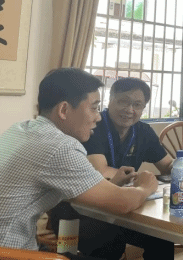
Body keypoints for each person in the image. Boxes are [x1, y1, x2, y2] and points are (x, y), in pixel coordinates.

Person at [0, 68, 158, 259]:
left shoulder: (21, 129)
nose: (98, 117)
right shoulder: (59, 146)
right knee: (110, 240)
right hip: (2, 254)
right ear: (64, 110)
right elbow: (122, 203)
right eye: (93, 108)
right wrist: (146, 187)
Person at [50, 77, 176, 259]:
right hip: (79, 212)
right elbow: (100, 171)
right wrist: (142, 182)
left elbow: (167, 165)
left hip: (122, 209)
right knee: (108, 241)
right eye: (123, 102)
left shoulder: (143, 131)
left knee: (162, 238)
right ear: (110, 100)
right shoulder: (92, 126)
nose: (130, 110)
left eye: (137, 105)